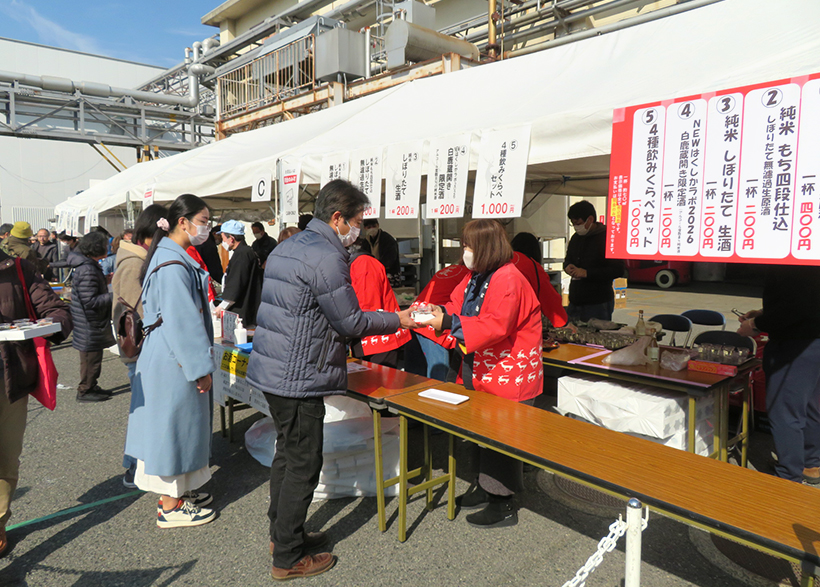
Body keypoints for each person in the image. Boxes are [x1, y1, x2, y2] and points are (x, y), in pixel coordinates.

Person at [246, 179, 418, 580]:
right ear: (338, 217)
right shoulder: (327, 255)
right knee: (304, 461)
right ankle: (288, 557)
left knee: (287, 455)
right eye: (357, 220)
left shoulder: (288, 246)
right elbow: (351, 321)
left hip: (275, 369)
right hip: (300, 373)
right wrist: (400, 318)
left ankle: (283, 533)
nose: (360, 228)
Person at [425, 219, 543, 529]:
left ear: (484, 247)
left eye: (467, 246)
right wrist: (435, 313)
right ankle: (482, 486)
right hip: (480, 365)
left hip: (507, 370)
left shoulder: (508, 278)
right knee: (480, 434)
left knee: (501, 437)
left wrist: (448, 323)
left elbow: (495, 326)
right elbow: (455, 305)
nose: (464, 251)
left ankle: (502, 503)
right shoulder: (476, 277)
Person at [125, 194, 217, 529]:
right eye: (203, 221)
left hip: (166, 355)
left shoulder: (166, 256)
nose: (206, 228)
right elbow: (183, 323)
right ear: (184, 222)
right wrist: (200, 370)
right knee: (173, 431)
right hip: (174, 359)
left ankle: (182, 491)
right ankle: (170, 504)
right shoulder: (174, 263)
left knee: (177, 429)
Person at [0, 251, 72, 557]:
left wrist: (47, 324)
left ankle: (0, 521)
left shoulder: (17, 267)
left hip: (8, 381)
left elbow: (58, 310)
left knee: (6, 455)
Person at [738, 265, 820, 485]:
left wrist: (756, 324)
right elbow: (805, 301)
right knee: (811, 407)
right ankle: (811, 464)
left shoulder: (790, 260)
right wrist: (764, 314)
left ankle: (788, 476)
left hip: (795, 345)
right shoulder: (809, 256)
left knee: (785, 413)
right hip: (813, 341)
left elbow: (795, 308)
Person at [112, 204, 168, 488]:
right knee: (142, 410)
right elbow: (142, 311)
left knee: (143, 408)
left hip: (137, 349)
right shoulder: (134, 263)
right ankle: (132, 468)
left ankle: (138, 466)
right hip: (138, 350)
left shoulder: (134, 258)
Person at [67, 231, 115, 402]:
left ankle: (91, 385)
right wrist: (114, 295)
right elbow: (90, 301)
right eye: (105, 245)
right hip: (89, 322)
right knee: (90, 360)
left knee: (93, 358)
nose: (108, 247)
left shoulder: (87, 266)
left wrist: (105, 280)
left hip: (88, 321)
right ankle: (85, 390)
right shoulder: (87, 268)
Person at [348, 238, 411, 368]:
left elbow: (369, 305)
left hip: (377, 337)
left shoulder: (363, 263)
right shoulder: (355, 262)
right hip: (370, 334)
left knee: (379, 385)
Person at [405, 261, 471, 381]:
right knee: (438, 381)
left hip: (416, 317)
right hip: (433, 323)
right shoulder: (469, 275)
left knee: (414, 378)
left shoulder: (452, 269)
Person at [563, 200, 624, 322]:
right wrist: (567, 266)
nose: (576, 227)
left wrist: (587, 273)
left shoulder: (608, 238)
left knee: (595, 338)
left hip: (598, 302)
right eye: (573, 224)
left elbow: (618, 270)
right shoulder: (576, 238)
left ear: (590, 219)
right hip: (575, 300)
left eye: (578, 223)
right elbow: (568, 258)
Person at [511, 232, 568, 328]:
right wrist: (563, 323)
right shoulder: (531, 265)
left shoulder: (499, 260)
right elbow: (549, 298)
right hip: (519, 324)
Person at [218, 220, 263, 327]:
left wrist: (221, 307)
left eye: (223, 238)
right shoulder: (245, 252)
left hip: (243, 312)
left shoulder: (242, 254)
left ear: (231, 239)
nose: (222, 242)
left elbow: (236, 284)